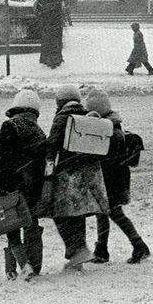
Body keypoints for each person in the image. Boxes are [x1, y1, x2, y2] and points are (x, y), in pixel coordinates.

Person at [0, 89, 46, 281]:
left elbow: (1, 159)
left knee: (10, 225)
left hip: (10, 183)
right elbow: (40, 165)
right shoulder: (39, 132)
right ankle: (34, 264)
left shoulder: (10, 126)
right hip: (30, 186)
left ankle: (20, 266)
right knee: (30, 223)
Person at [40, 83, 109, 272]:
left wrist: (48, 172)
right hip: (88, 173)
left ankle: (77, 250)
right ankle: (78, 251)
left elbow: (51, 147)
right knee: (78, 213)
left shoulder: (62, 117)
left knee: (59, 212)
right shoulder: (87, 115)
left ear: (59, 101)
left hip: (68, 172)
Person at [85, 88, 150, 264]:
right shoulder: (110, 126)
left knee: (114, 212)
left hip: (112, 180)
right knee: (103, 212)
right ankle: (102, 249)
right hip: (114, 178)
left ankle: (139, 246)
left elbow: (108, 160)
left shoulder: (111, 131)